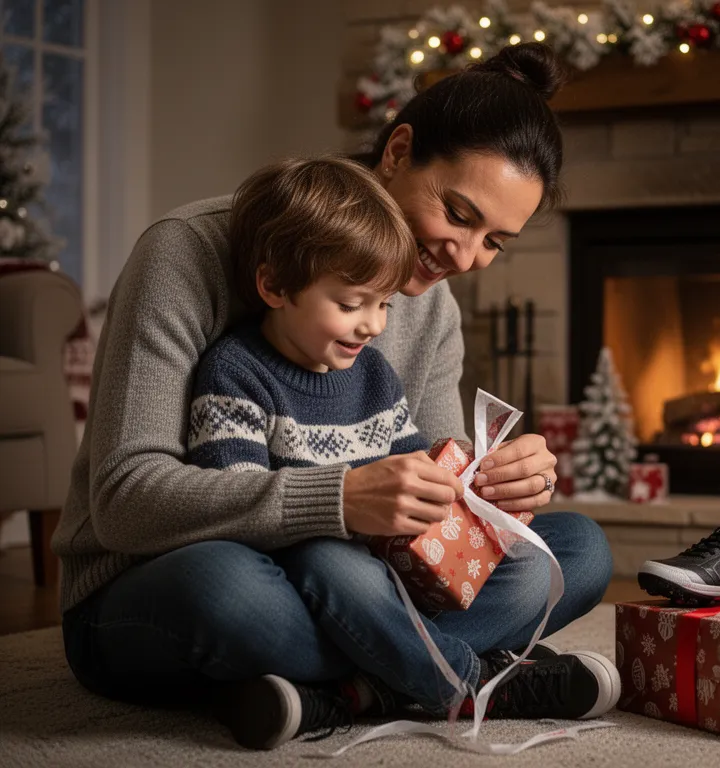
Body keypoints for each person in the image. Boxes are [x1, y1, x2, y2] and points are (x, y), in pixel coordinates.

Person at [54, 43, 616, 750]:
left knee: (574, 551)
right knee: (232, 592)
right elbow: (125, 504)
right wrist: (340, 499)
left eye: (494, 242)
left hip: (358, 578)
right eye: (458, 213)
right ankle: (460, 681)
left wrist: (493, 489)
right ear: (398, 150)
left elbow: (431, 495)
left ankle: (344, 691)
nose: (465, 259)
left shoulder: (428, 306)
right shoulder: (187, 252)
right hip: (156, 578)